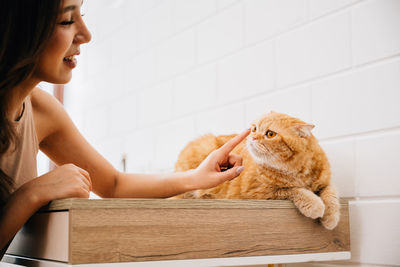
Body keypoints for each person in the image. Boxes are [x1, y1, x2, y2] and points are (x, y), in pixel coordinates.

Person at [0, 0, 249, 257]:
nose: (86, 35)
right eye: (66, 21)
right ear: (19, 30)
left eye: (81, 15)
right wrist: (31, 195)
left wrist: (195, 177)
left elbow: (114, 185)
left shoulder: (42, 110)